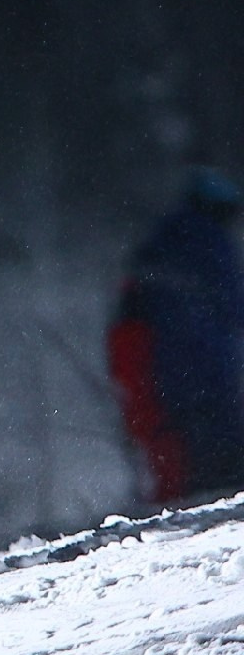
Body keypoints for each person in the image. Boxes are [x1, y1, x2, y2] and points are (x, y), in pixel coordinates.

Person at [108, 168, 244, 506]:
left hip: (153, 371)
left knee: (173, 456)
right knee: (213, 458)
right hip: (198, 373)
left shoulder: (161, 240)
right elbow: (231, 305)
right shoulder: (210, 243)